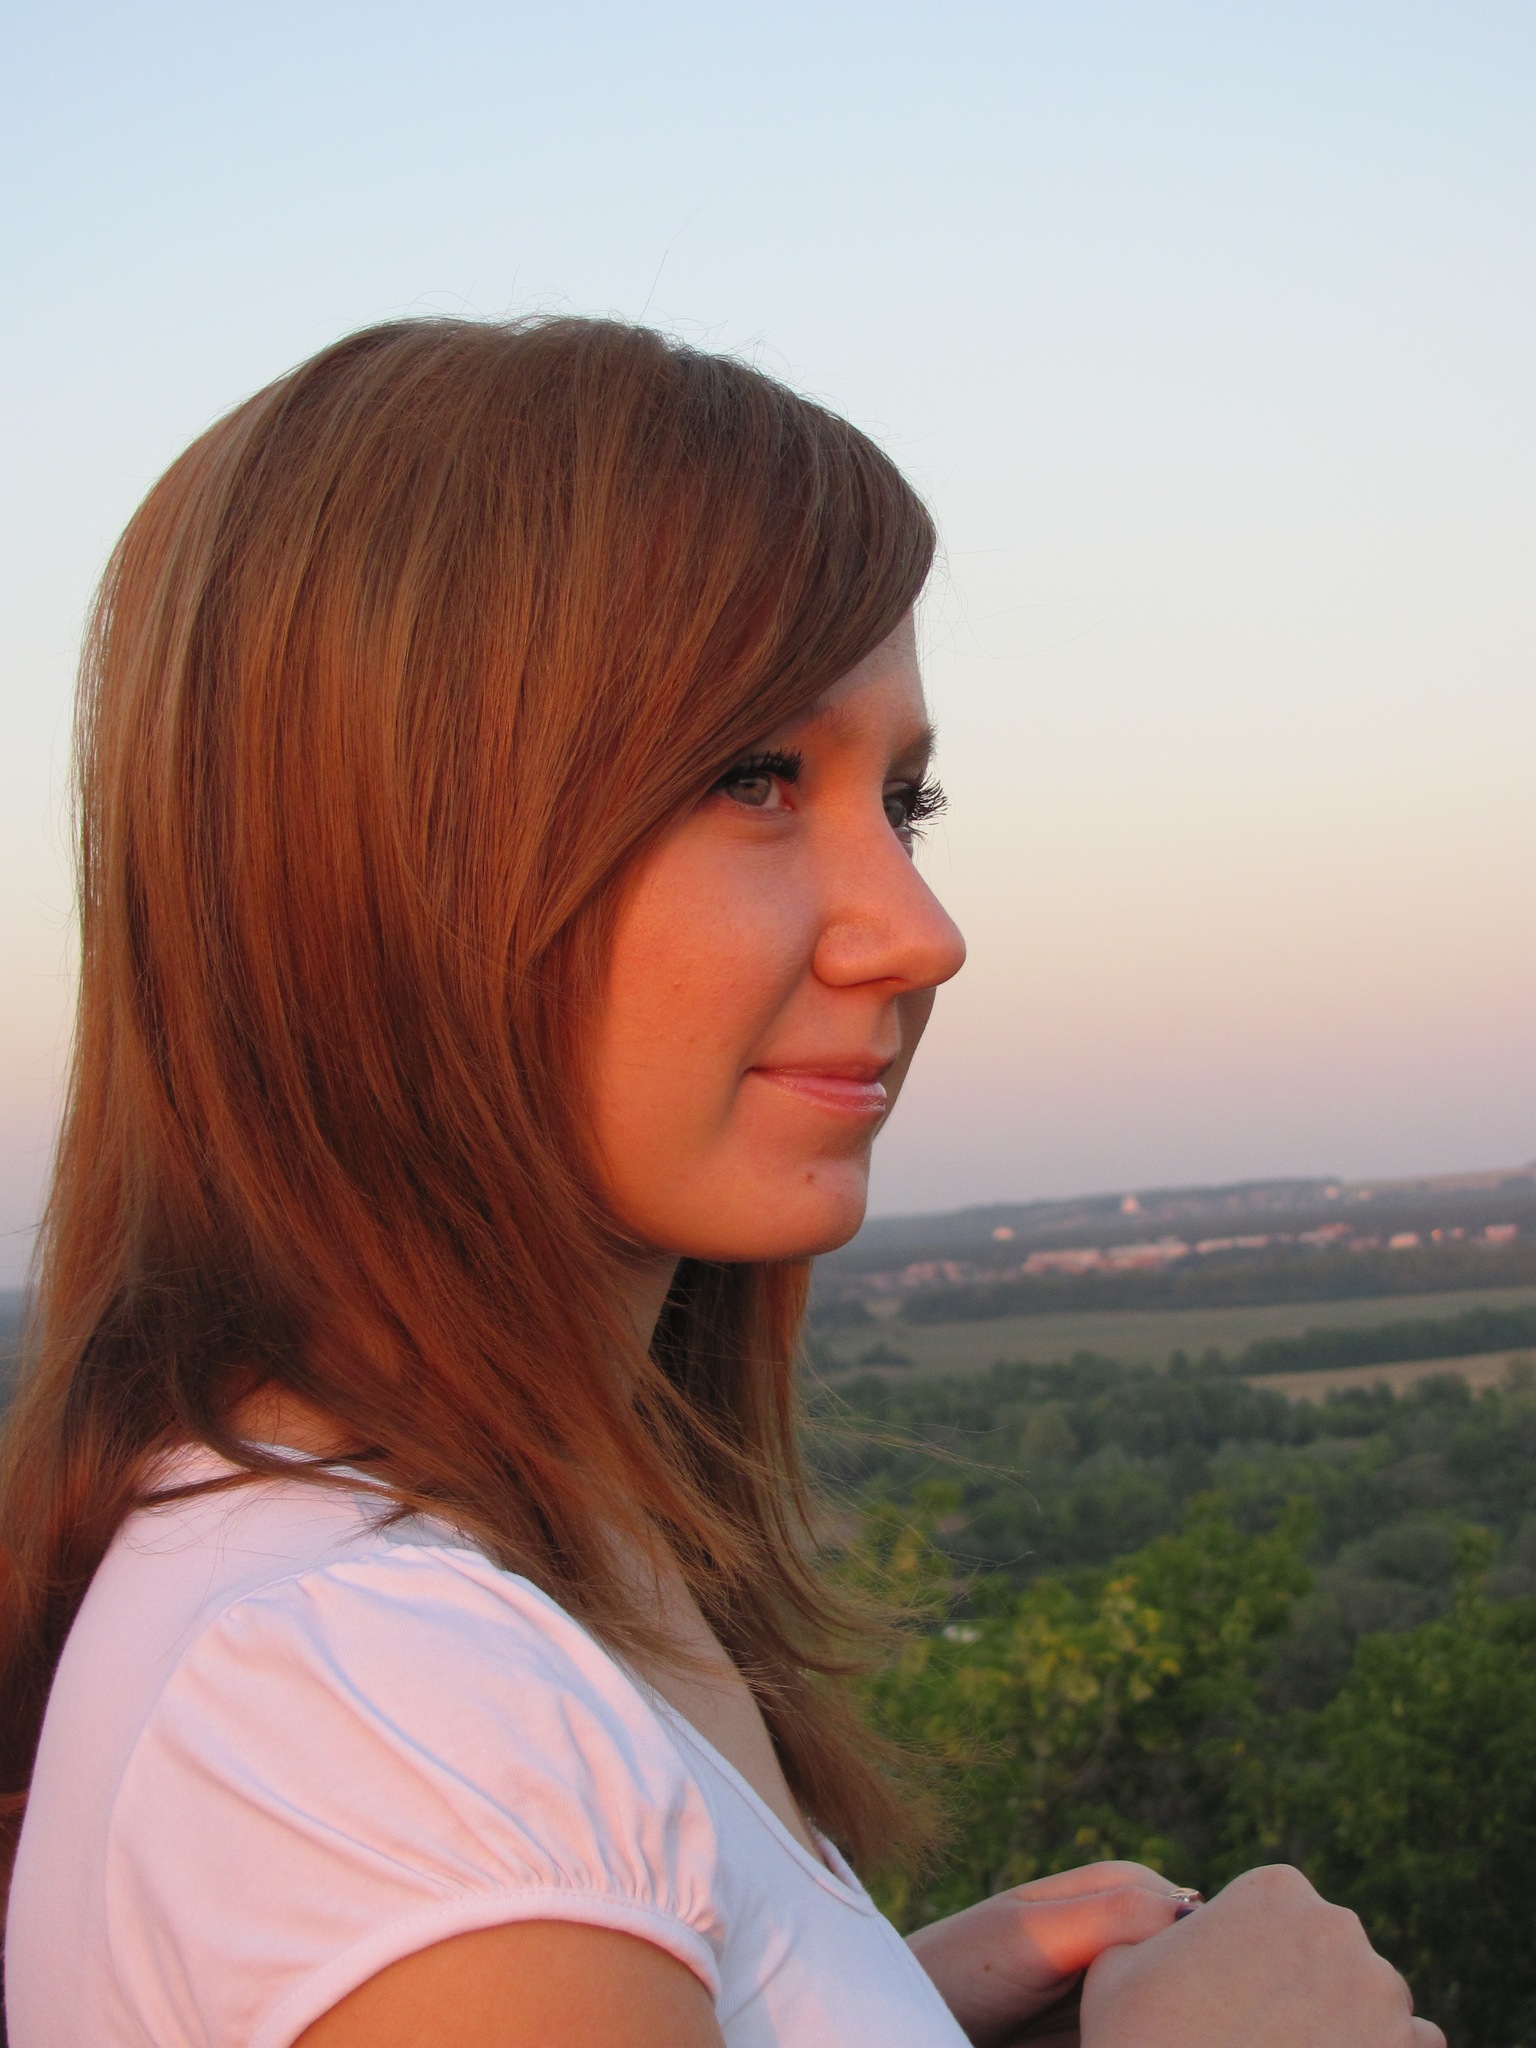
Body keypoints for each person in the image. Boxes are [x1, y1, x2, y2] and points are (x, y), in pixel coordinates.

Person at [0, 317, 1439, 2048]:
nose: (920, 930)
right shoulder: (381, 1708)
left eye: (904, 800)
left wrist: (862, 2001)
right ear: (378, 857)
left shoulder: (469, 1586)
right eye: (754, 777)